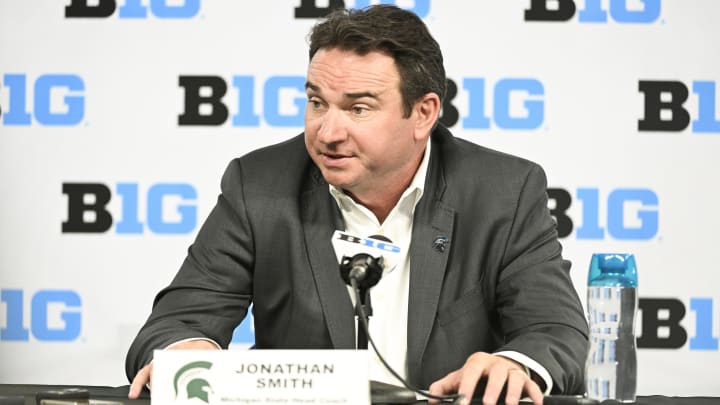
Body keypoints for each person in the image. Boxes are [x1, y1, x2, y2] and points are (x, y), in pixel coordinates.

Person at [126, 5, 589, 405]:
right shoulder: (260, 184)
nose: (327, 132)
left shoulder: (503, 191)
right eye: (316, 103)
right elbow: (177, 322)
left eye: (358, 108)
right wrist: (188, 350)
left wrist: (514, 364)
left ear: (424, 113)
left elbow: (555, 329)